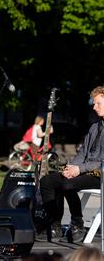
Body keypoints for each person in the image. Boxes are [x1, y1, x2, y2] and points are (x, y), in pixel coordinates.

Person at [38, 86, 104, 242]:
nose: (94, 107)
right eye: (94, 103)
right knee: (47, 181)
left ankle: (77, 223)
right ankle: (55, 225)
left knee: (67, 184)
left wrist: (78, 169)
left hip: (99, 174)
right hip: (83, 171)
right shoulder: (95, 127)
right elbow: (83, 153)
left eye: (98, 103)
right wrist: (71, 168)